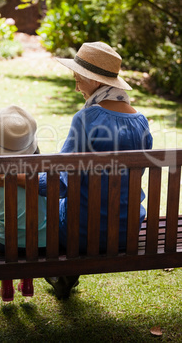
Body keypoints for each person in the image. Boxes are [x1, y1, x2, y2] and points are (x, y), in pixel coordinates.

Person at [37, 41, 153, 299]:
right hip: (128, 230)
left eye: (80, 79)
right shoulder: (141, 122)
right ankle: (66, 277)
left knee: (47, 206)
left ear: (98, 82)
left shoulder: (86, 119)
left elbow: (59, 184)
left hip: (83, 234)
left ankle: (63, 273)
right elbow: (136, 176)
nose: (77, 86)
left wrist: (24, 179)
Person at [0, 105, 47, 302]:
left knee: (4, 230)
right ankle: (27, 283)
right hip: (41, 243)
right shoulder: (41, 172)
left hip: (4, 244)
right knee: (30, 231)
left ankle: (6, 286)